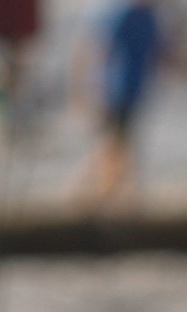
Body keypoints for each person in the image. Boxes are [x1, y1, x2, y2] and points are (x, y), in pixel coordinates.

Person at [69, 1, 168, 204]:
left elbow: (160, 54)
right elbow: (98, 48)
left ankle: (101, 195)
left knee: (117, 144)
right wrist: (87, 89)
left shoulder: (150, 19)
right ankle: (97, 195)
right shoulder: (125, 15)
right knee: (116, 144)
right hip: (114, 90)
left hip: (135, 92)